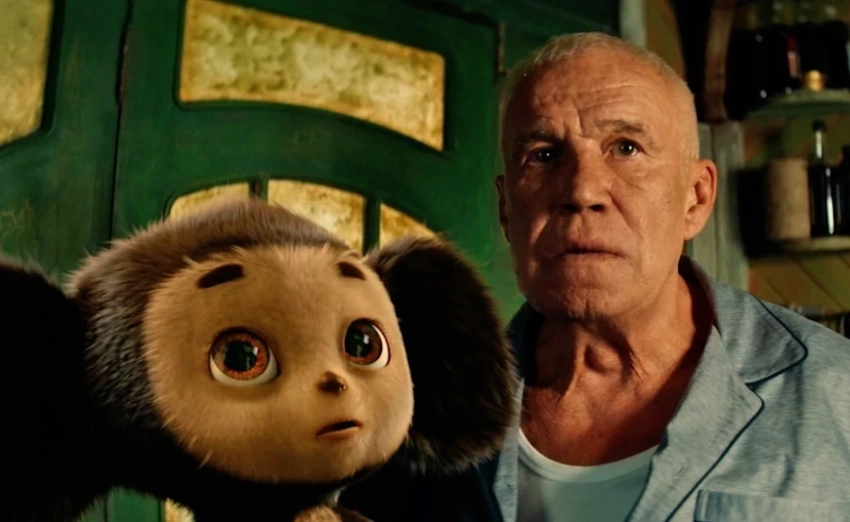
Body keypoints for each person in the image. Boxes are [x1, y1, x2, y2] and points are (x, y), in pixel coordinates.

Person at [341, 32, 850, 521]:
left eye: (625, 148)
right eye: (543, 156)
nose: (582, 191)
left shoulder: (835, 392)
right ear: (506, 210)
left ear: (695, 198)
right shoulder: (416, 415)